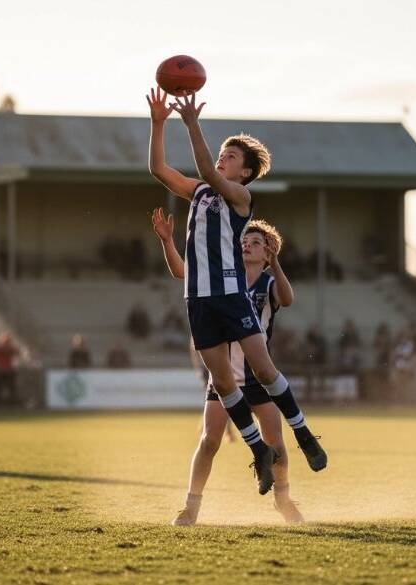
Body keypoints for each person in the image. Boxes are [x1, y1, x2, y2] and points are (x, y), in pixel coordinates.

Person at [147, 87, 326, 496]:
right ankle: (258, 450)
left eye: (231, 156)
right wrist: (158, 124)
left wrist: (192, 124)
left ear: (244, 172)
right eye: (223, 152)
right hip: (198, 300)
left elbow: (209, 171)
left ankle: (304, 434)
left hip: (230, 295)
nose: (223, 159)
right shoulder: (199, 191)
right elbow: (159, 169)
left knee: (263, 371)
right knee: (224, 384)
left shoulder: (240, 197)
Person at [153, 208, 303, 525]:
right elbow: (183, 272)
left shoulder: (268, 282)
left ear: (268, 251)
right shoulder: (223, 277)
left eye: (256, 242)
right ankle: (190, 508)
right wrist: (168, 242)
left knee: (276, 444)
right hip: (224, 380)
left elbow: (287, 299)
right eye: (244, 240)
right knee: (209, 442)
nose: (247, 245)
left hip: (259, 380)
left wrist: (276, 265)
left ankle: (284, 500)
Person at [0, 333, 19, 404]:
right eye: (5, 340)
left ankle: (11, 402)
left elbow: (17, 353)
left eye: (7, 340)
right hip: (0, 371)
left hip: (8, 371)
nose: (7, 342)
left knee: (11, 388)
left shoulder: (10, 348)